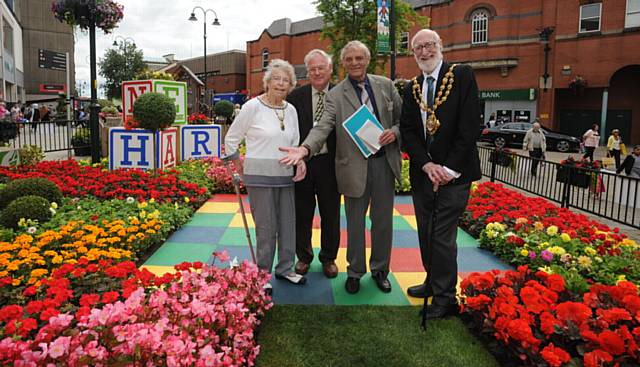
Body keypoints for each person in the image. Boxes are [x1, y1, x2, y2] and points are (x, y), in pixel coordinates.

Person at [279, 40, 403, 294]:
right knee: (355, 224)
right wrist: (304, 150)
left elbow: (404, 119)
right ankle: (355, 271)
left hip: (383, 165)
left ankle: (380, 270)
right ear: (343, 64)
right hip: (353, 168)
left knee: (382, 223)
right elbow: (323, 127)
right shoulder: (335, 95)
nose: (355, 63)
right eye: (350, 59)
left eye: (359, 58)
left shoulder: (386, 85)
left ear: (367, 60)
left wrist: (395, 131)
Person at [399, 29, 481, 319]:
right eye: (417, 48)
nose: (424, 51)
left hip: (454, 175)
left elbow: (470, 125)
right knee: (426, 232)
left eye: (429, 45)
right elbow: (409, 131)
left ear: (440, 46)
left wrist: (447, 169)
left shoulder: (461, 76)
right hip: (425, 175)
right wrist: (426, 165)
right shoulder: (411, 87)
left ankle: (446, 299)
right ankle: (433, 282)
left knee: (442, 237)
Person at [224, 59, 307, 293]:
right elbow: (231, 139)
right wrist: (238, 163)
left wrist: (299, 161)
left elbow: (295, 142)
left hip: (284, 175)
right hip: (259, 177)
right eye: (277, 79)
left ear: (291, 85)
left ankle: (285, 269)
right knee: (266, 227)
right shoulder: (252, 107)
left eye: (286, 80)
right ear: (268, 82)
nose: (281, 83)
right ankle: (262, 275)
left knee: (288, 224)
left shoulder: (290, 110)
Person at [286, 49, 341, 278]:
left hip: (332, 163)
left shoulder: (341, 94)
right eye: (312, 69)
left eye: (321, 68)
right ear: (307, 72)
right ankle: (304, 256)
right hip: (303, 165)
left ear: (330, 69)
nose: (317, 72)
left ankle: (329, 258)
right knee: (302, 213)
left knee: (331, 213)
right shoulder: (295, 97)